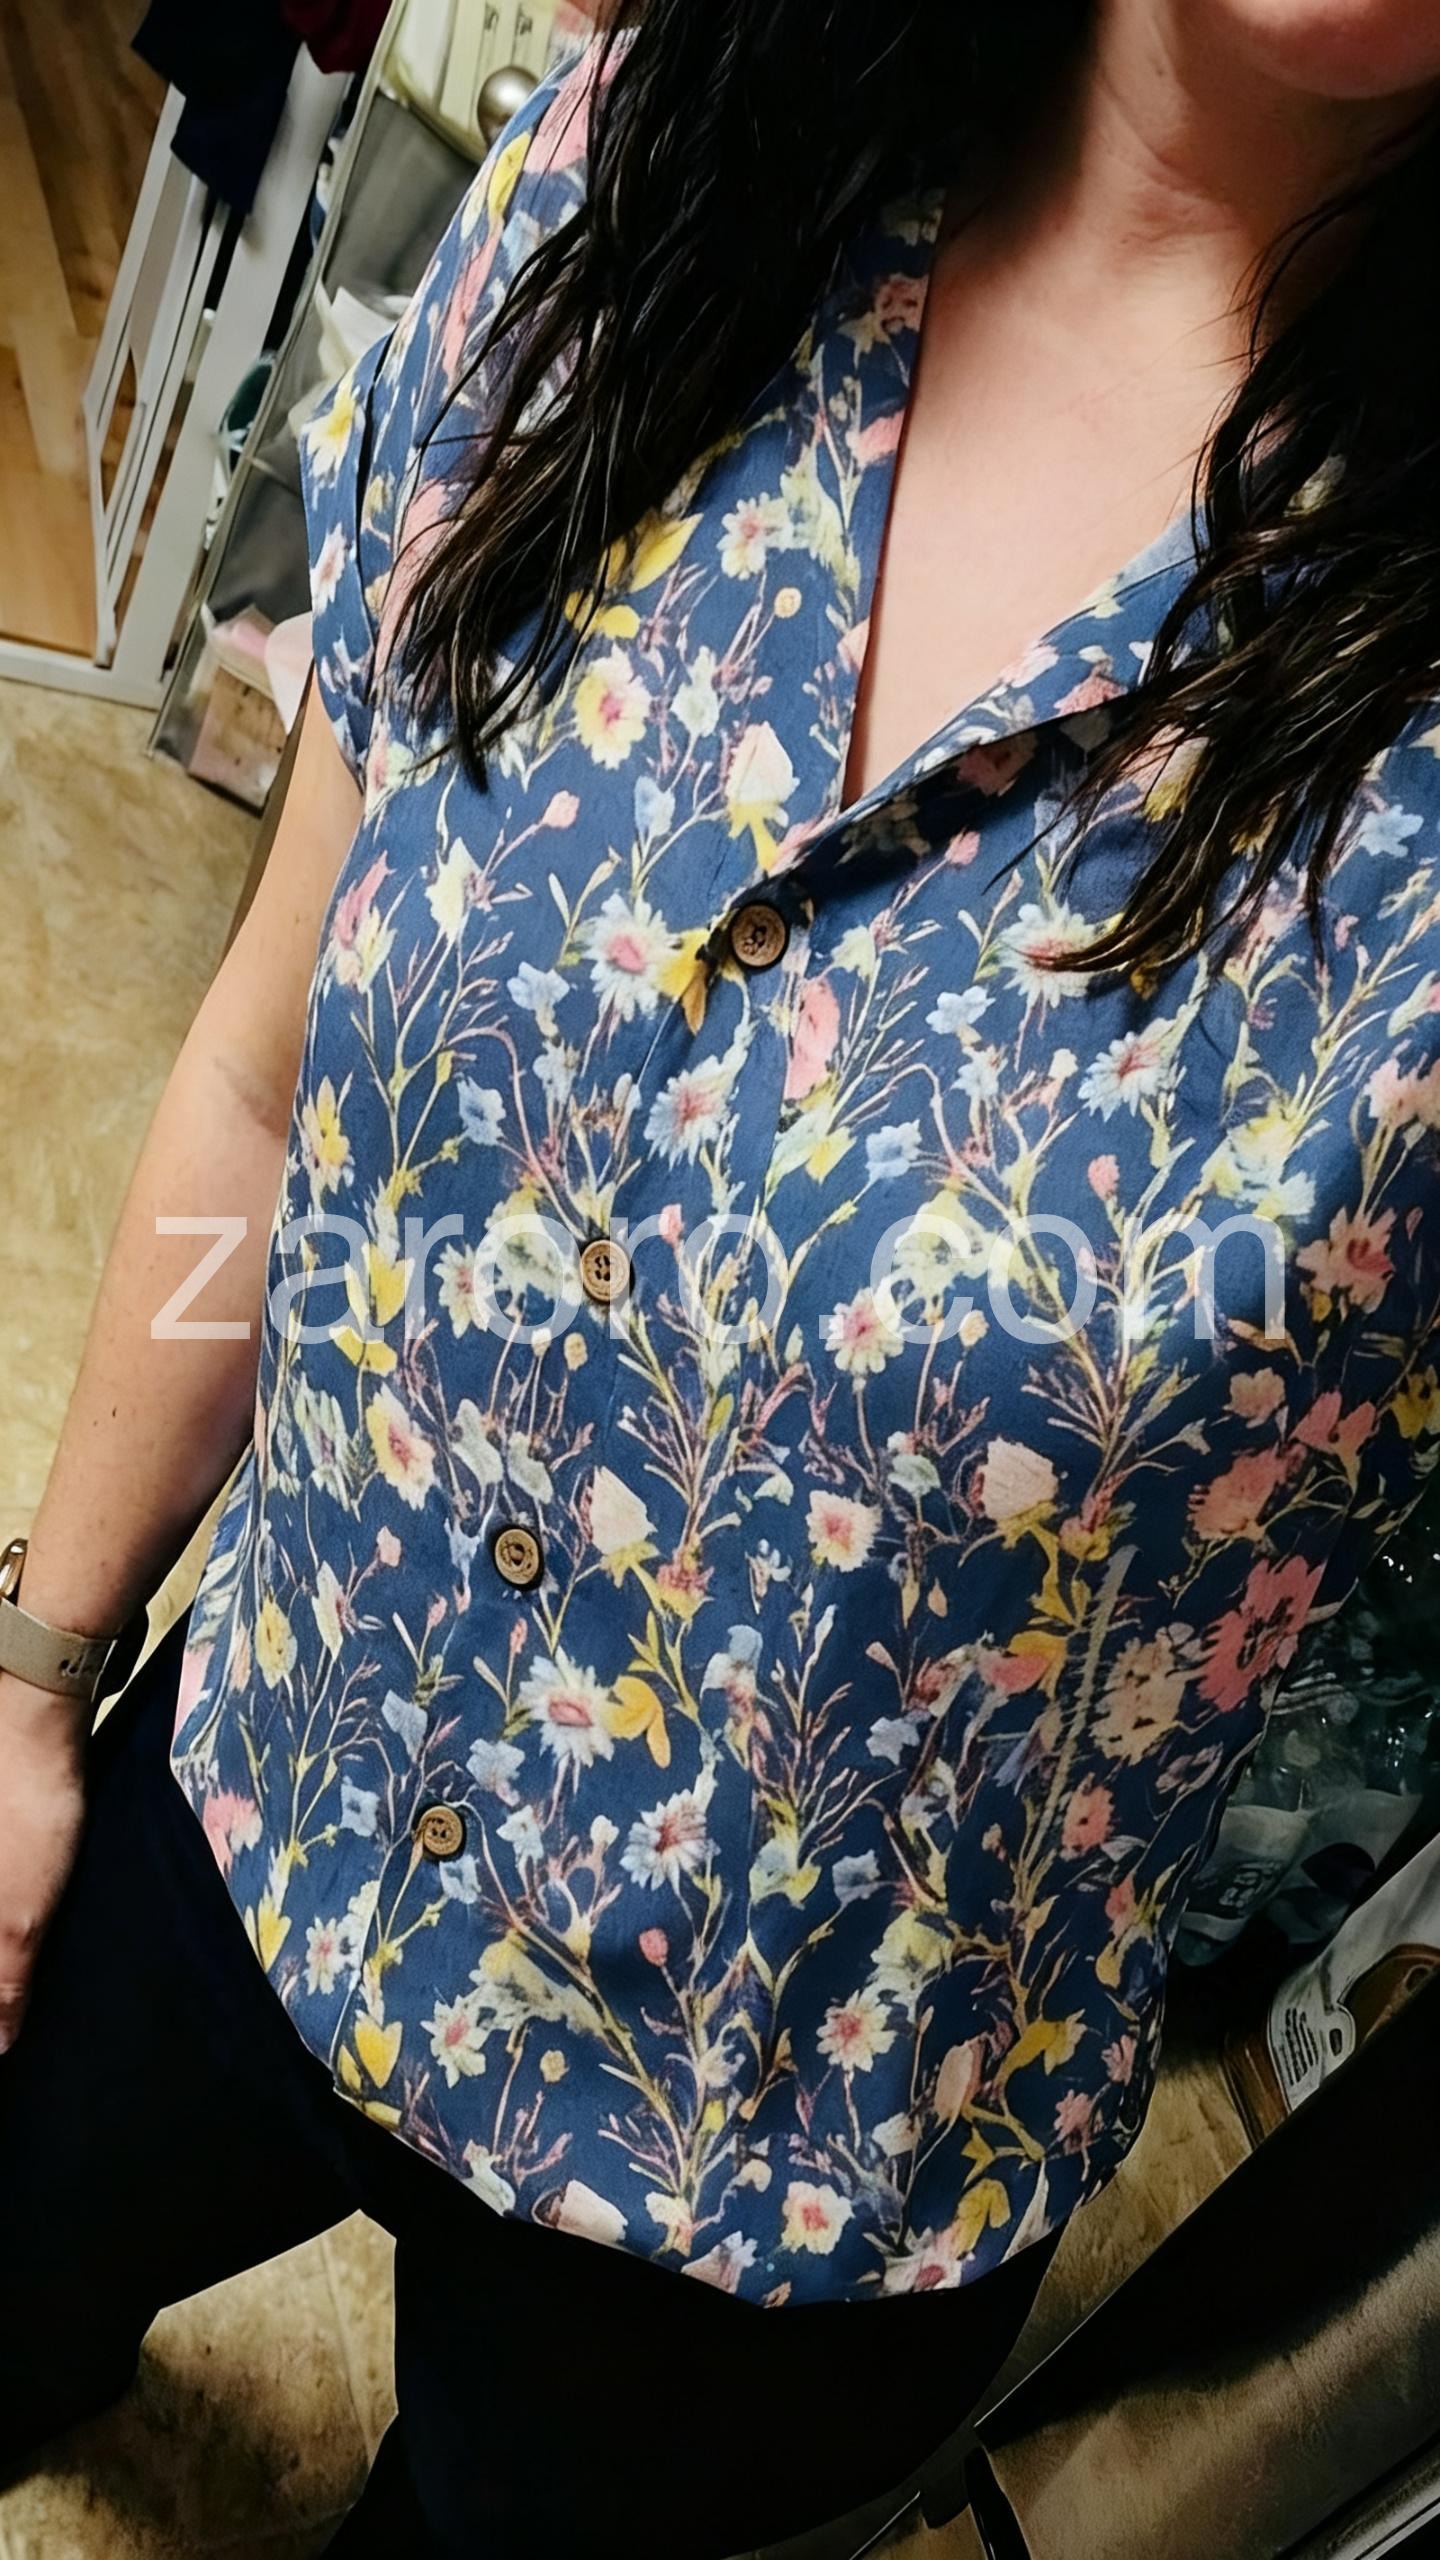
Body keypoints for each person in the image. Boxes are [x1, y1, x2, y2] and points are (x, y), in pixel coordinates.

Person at [4, 2, 1440, 2550]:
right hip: (272, 1792)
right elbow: (265, 1060)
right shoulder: (655, 166)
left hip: (770, 2212)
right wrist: (33, 1664)